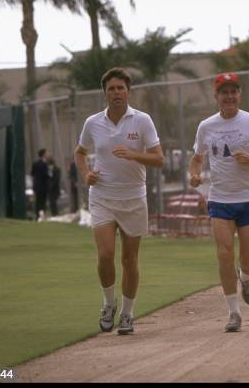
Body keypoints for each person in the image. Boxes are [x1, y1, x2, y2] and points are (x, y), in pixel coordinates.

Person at [74, 67, 164, 335]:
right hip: (102, 195)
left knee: (129, 259)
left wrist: (134, 155)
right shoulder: (93, 123)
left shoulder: (142, 120)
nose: (116, 93)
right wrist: (85, 174)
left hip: (134, 197)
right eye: (111, 89)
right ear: (104, 92)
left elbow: (159, 159)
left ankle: (127, 313)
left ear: (128, 91)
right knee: (105, 256)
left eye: (120, 88)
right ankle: (108, 303)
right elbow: (80, 153)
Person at [189, 72, 249, 332]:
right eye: (224, 92)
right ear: (216, 97)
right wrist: (194, 174)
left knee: (247, 259)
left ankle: (246, 277)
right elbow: (197, 157)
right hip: (220, 199)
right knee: (224, 254)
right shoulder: (206, 126)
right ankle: (234, 312)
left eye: (233, 91)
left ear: (239, 95)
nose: (229, 96)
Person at [30, 148, 50, 221]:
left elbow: (32, 174)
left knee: (38, 202)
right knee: (43, 202)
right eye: (47, 153)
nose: (48, 154)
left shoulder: (35, 164)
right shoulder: (44, 164)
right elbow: (46, 176)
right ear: (43, 154)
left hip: (36, 186)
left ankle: (37, 216)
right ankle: (42, 217)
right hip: (43, 186)